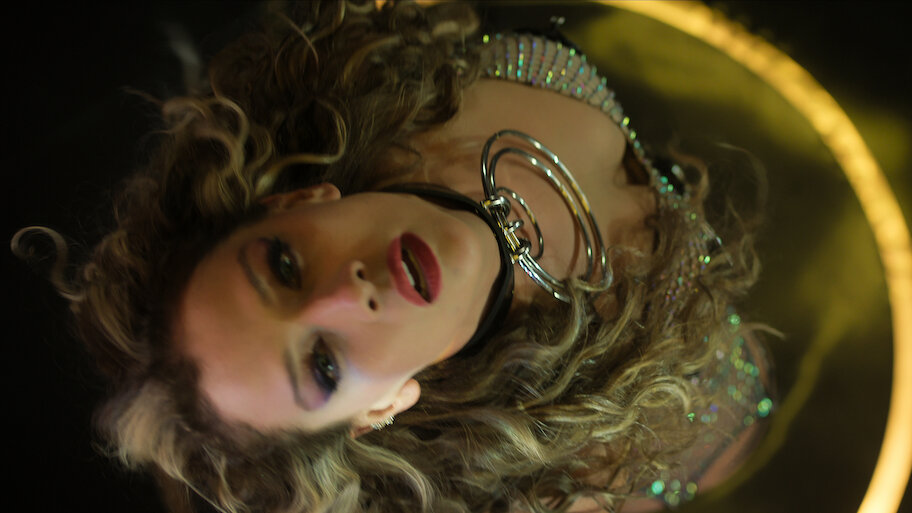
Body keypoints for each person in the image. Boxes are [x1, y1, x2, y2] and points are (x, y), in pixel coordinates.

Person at [12, 1, 773, 512]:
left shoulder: (389, 83)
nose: (347, 295)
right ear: (379, 409)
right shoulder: (577, 452)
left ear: (296, 203)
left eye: (283, 268)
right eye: (323, 366)